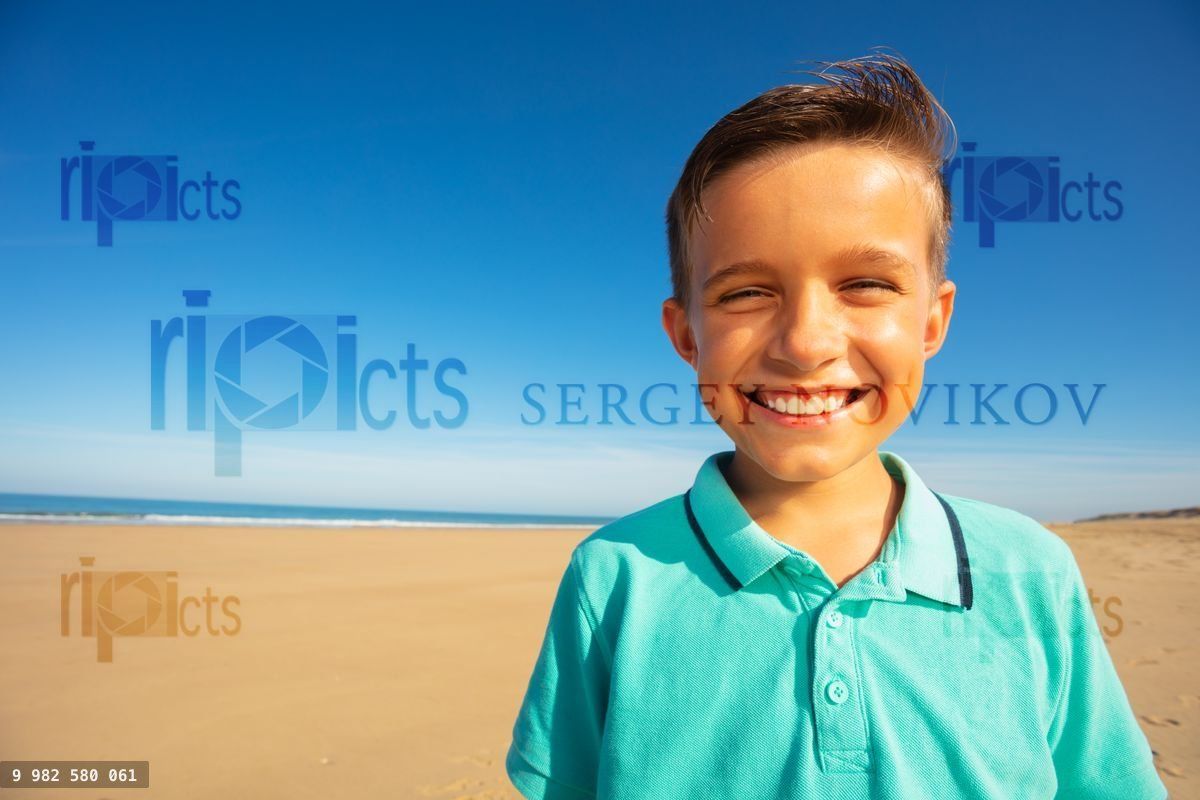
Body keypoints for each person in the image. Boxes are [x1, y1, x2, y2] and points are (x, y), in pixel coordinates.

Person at [505, 49, 1167, 800]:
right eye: (746, 293)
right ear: (686, 335)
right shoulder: (614, 576)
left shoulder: (1030, 572)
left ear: (932, 321)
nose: (805, 343)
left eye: (866, 284)